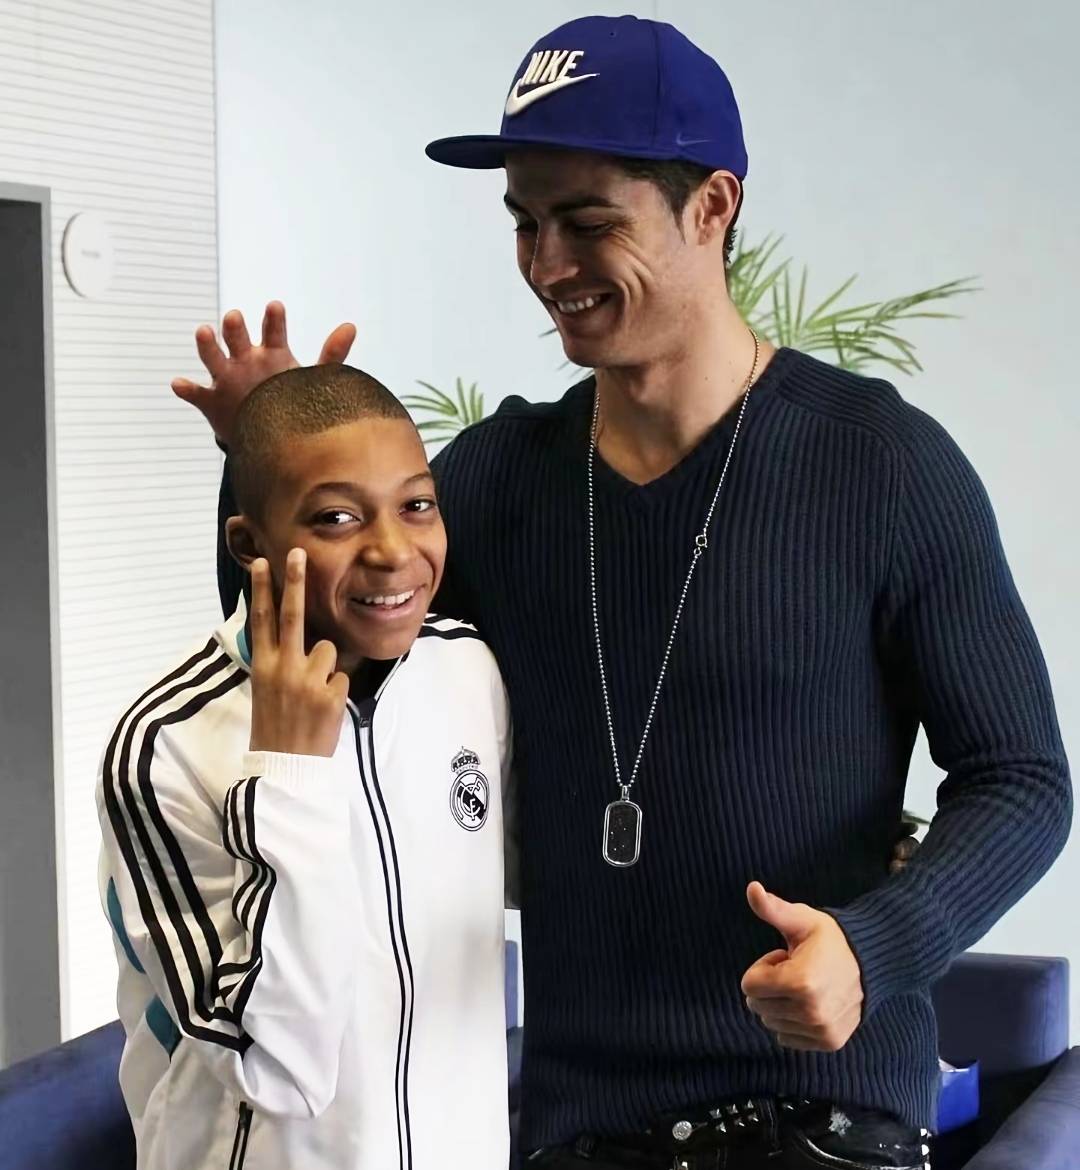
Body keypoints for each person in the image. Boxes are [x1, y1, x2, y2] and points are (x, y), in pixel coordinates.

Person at [173, 15, 1072, 1170]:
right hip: (575, 1126)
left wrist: (872, 947)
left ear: (713, 208)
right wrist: (271, 465)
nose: (548, 264)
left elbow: (1021, 779)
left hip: (819, 1119)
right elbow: (317, 667)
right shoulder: (498, 479)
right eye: (525, 222)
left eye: (590, 223)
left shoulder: (883, 466)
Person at [97, 365, 515, 1170]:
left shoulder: (466, 671)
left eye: (417, 505)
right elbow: (276, 1066)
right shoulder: (165, 745)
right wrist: (290, 773)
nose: (393, 551)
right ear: (250, 546)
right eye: (336, 518)